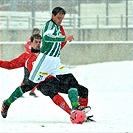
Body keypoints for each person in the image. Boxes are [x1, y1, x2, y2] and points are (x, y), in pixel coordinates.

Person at [1, 7, 90, 122]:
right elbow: (47, 37)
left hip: (55, 62)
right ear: (52, 16)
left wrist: (64, 40)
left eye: (62, 18)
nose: (60, 20)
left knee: (73, 82)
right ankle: (7, 103)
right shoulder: (49, 25)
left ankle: (76, 109)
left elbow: (58, 44)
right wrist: (64, 38)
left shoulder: (59, 28)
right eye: (58, 18)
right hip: (45, 62)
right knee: (28, 86)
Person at [24, 28, 40, 97]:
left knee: (36, 76)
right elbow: (28, 47)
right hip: (29, 61)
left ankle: (32, 91)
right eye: (35, 32)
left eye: (38, 32)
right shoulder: (30, 40)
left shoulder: (40, 41)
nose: (37, 33)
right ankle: (20, 90)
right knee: (26, 77)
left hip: (36, 61)